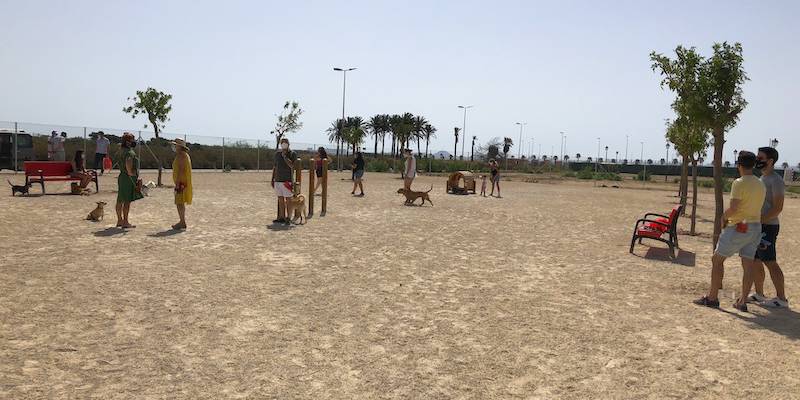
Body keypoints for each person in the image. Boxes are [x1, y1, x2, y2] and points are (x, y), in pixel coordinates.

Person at [694, 151, 766, 311]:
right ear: (753, 165)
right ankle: (742, 302)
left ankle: (712, 297)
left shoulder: (739, 183)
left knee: (717, 260)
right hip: (755, 226)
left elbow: (734, 208)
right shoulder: (760, 183)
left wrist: (723, 218)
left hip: (739, 226)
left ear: (739, 165)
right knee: (748, 264)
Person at [749, 147, 789, 308]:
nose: (757, 160)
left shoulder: (776, 180)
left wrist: (760, 221)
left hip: (768, 227)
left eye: (761, 157)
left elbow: (778, 208)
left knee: (770, 261)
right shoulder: (761, 179)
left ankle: (781, 298)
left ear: (770, 161)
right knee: (755, 260)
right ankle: (759, 294)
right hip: (759, 226)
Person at [115, 133, 143, 229]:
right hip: (128, 178)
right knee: (127, 200)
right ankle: (125, 221)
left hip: (122, 176)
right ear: (128, 141)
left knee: (120, 199)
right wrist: (132, 173)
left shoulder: (121, 151)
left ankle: (119, 220)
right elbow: (128, 163)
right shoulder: (129, 152)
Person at [271, 138, 297, 225]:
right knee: (280, 200)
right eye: (282, 143)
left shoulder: (292, 154)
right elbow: (275, 167)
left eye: (285, 143)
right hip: (278, 180)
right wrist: (272, 179)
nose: (284, 144)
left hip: (287, 181)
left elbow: (292, 165)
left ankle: (288, 217)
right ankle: (281, 217)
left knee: (288, 200)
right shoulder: (277, 154)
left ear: (288, 144)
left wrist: (285, 156)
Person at [171, 138, 193, 230]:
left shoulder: (181, 156)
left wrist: (177, 183)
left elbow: (181, 169)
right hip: (183, 181)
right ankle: (182, 221)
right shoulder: (185, 155)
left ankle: (182, 221)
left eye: (176, 145)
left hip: (181, 182)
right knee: (180, 202)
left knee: (179, 202)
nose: (174, 147)